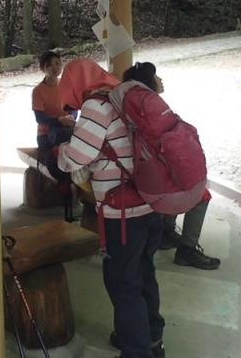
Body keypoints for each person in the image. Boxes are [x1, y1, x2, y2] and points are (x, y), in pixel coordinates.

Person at [57, 59, 165, 358]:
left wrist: (61, 152)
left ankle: (136, 351)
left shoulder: (97, 105)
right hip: (150, 203)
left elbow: (77, 156)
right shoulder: (125, 98)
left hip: (123, 213)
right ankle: (152, 341)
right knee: (144, 272)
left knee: (123, 283)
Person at [123, 61, 220, 270]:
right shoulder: (151, 109)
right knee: (200, 194)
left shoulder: (135, 107)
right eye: (156, 76)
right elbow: (178, 157)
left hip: (144, 176)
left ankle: (166, 233)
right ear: (147, 81)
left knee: (172, 176)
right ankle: (187, 250)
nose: (160, 79)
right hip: (156, 185)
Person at [32, 51, 76, 168]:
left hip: (65, 129)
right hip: (46, 135)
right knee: (55, 164)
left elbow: (73, 107)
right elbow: (39, 118)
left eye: (57, 64)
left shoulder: (65, 84)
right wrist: (60, 120)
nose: (55, 68)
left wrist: (71, 117)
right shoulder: (38, 91)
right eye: (49, 65)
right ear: (43, 69)